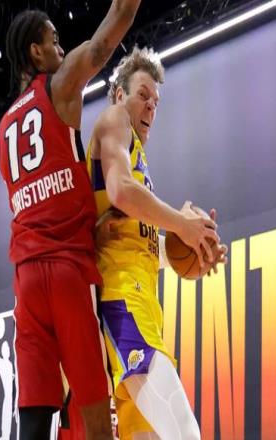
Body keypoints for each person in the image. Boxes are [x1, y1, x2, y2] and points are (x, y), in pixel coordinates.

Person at [0, 3, 142, 439]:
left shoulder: (5, 126)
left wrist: (86, 225)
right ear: (35, 51)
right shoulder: (59, 86)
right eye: (54, 40)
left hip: (26, 279)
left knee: (35, 418)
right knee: (96, 414)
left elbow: (40, 200)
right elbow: (111, 30)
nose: (60, 48)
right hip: (65, 272)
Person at [86, 46, 228, 439]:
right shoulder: (114, 120)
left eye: (156, 101)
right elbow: (120, 190)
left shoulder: (139, 163)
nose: (151, 106)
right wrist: (182, 224)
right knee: (184, 431)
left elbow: (140, 241)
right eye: (142, 95)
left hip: (143, 305)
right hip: (121, 301)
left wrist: (193, 246)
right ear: (120, 95)